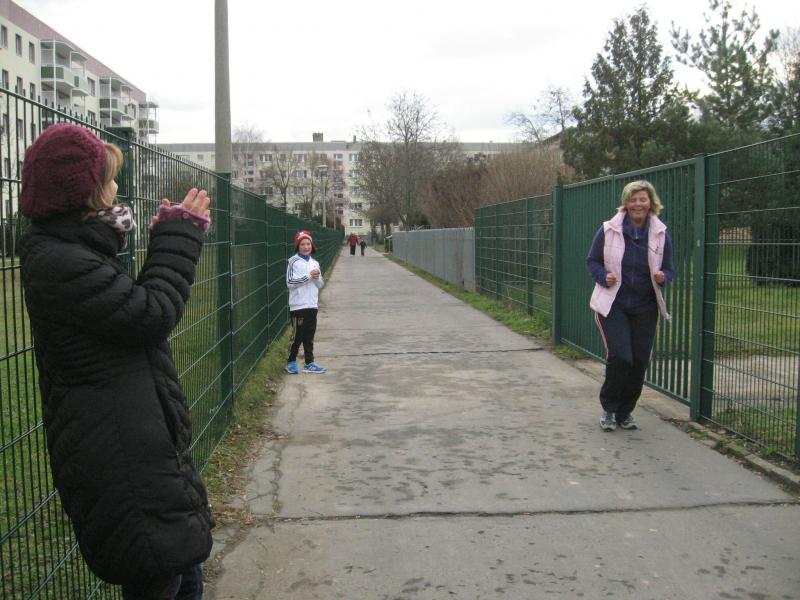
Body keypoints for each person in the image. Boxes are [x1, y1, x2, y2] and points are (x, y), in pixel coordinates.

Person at [18, 123, 214, 599]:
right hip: (119, 460)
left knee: (182, 568)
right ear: (83, 194)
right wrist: (178, 238)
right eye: (108, 180)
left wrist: (166, 238)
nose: (116, 189)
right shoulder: (61, 262)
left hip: (138, 449)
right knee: (159, 573)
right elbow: (151, 314)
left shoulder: (79, 251)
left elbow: (131, 313)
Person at [586, 180, 674, 432]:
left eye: (643, 199)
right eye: (633, 199)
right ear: (626, 203)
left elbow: (669, 268)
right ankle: (609, 409)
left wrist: (663, 278)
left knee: (639, 361)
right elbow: (592, 261)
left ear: (651, 203)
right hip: (614, 304)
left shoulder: (661, 233)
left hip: (645, 306)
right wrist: (603, 276)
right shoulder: (609, 230)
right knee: (621, 357)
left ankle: (625, 412)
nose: (638, 204)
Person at [286, 230, 327, 374]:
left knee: (309, 336)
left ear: (312, 245)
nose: (306, 247)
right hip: (298, 305)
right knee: (297, 336)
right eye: (302, 244)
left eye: (308, 244)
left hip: (312, 305)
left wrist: (316, 278)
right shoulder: (293, 261)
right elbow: (290, 282)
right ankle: (291, 361)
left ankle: (309, 363)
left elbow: (320, 284)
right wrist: (308, 276)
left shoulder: (315, 263)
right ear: (298, 246)